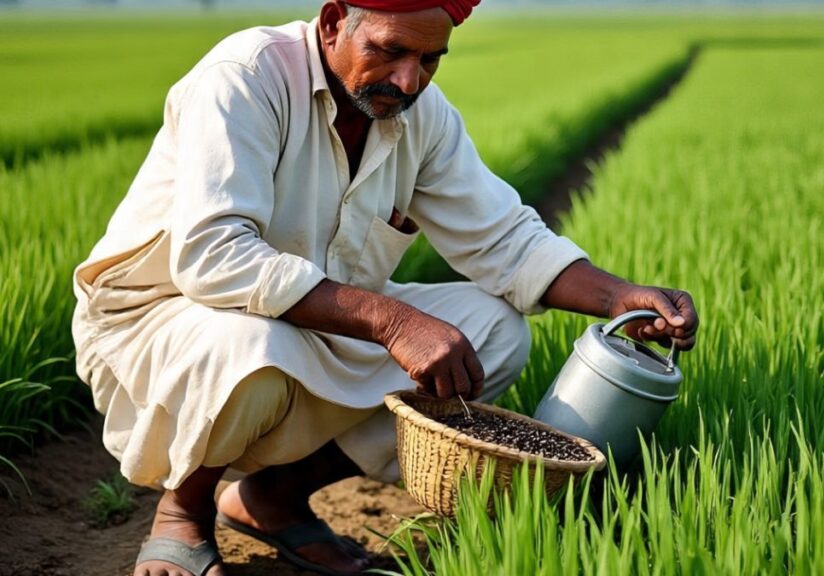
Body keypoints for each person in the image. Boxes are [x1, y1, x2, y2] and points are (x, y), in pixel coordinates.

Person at [71, 1, 699, 574]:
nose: (410, 80)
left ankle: (273, 498)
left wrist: (619, 297)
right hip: (166, 318)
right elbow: (214, 256)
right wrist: (394, 322)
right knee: (248, 346)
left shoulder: (420, 116)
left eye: (429, 59)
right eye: (390, 50)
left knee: (494, 332)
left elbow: (504, 238)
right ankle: (183, 513)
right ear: (333, 21)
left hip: (310, 316)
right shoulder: (245, 77)